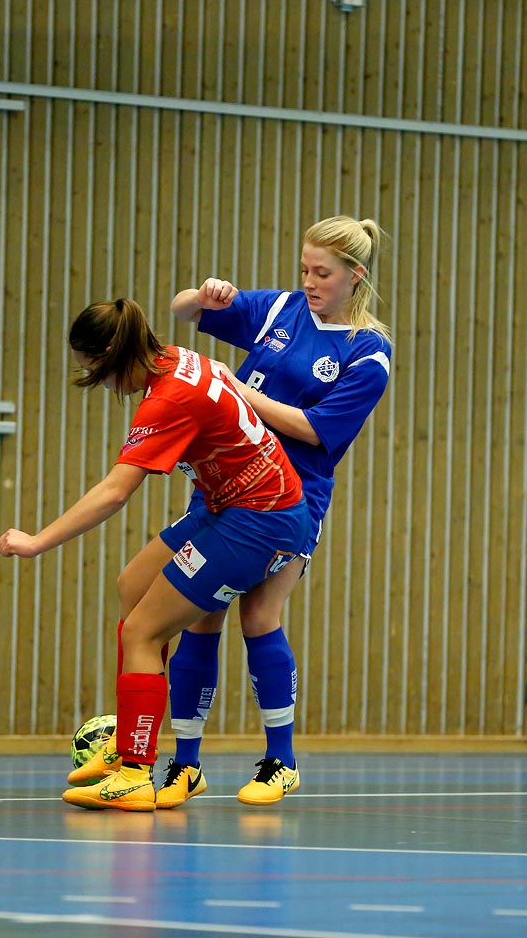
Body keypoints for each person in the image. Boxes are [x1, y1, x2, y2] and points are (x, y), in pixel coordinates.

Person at [0, 298, 311, 812]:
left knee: (144, 630)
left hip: (260, 519)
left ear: (111, 355)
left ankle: (136, 772)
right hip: (235, 503)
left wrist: (36, 541)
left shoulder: (166, 400)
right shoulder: (175, 358)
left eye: (94, 373)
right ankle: (130, 745)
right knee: (132, 587)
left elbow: (114, 492)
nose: (102, 386)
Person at [157, 215, 391, 807]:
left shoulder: (368, 352)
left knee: (260, 614)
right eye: (304, 269)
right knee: (199, 614)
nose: (309, 281)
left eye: (323, 273)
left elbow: (316, 429)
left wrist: (243, 397)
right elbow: (185, 311)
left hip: (291, 499)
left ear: (355, 276)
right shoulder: (281, 308)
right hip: (223, 485)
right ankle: (185, 763)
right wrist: (201, 296)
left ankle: (279, 759)